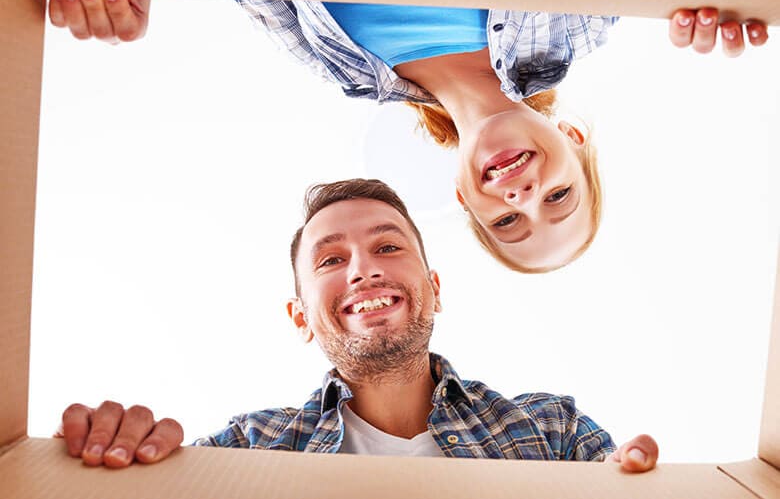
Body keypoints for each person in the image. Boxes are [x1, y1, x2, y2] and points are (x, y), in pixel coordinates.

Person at [46, 0, 770, 274]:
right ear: (576, 145)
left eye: (509, 219)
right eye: (557, 198)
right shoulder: (580, 25)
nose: (523, 192)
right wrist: (731, 1)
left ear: (466, 200)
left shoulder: (347, 70)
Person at [57, 178, 659, 470]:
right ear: (301, 318)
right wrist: (112, 461)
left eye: (389, 248)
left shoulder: (553, 432)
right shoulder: (248, 448)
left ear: (435, 289)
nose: (364, 271)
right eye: (330, 260)